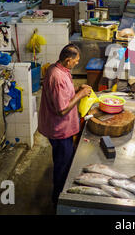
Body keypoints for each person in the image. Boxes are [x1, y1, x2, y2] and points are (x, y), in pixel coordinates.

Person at [38, 44, 92, 205]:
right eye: (76, 61)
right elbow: (61, 110)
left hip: (60, 127)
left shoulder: (59, 68)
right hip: (60, 129)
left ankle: (60, 194)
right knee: (62, 166)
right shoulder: (57, 77)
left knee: (63, 160)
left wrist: (76, 89)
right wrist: (81, 94)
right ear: (68, 60)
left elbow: (64, 93)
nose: (77, 63)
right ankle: (58, 201)